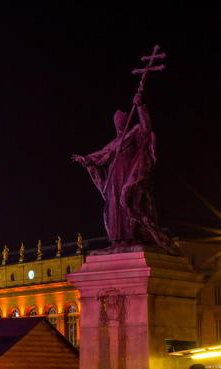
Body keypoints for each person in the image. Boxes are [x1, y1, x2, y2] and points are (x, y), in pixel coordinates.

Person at [71, 93, 175, 251]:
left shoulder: (134, 134)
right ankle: (118, 240)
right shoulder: (113, 144)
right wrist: (86, 160)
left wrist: (140, 106)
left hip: (129, 178)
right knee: (115, 209)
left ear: (126, 122)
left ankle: (134, 238)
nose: (119, 125)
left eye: (121, 122)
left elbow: (147, 127)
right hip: (114, 181)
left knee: (130, 203)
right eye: (117, 123)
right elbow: (99, 156)